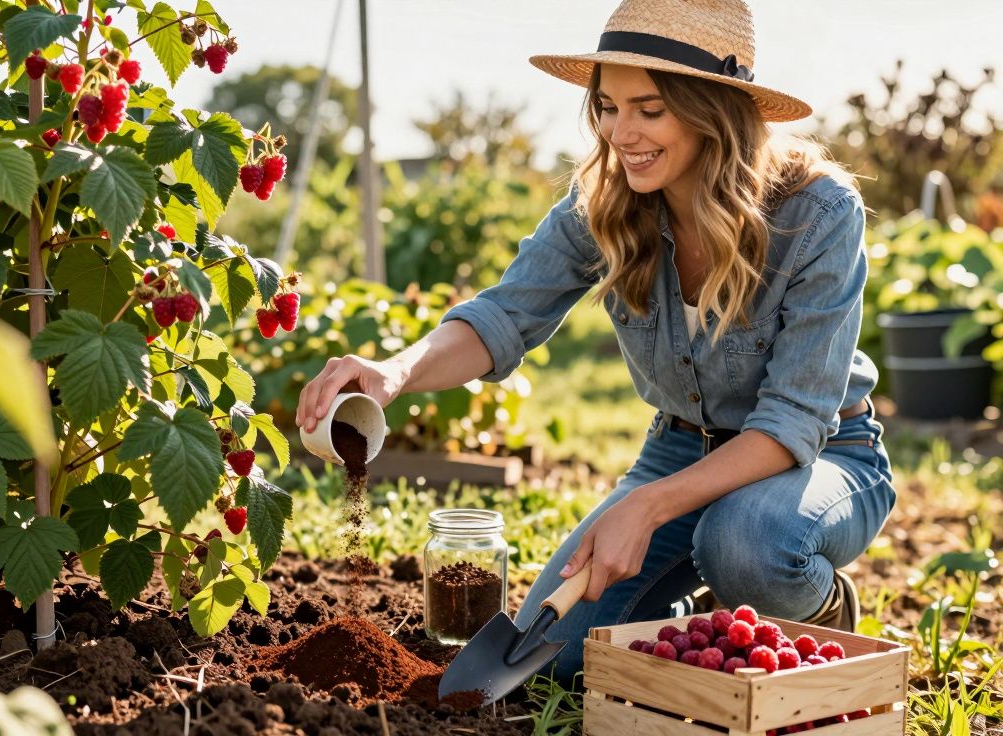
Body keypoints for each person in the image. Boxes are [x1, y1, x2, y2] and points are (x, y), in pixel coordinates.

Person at [295, 0, 897, 683]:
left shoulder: (817, 214)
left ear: (712, 110)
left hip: (819, 459)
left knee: (742, 542)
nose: (619, 132)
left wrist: (646, 504)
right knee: (566, 655)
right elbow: (504, 317)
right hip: (680, 445)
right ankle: (708, 609)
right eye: (607, 106)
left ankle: (816, 608)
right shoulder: (606, 202)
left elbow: (794, 420)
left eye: (649, 108)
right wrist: (393, 372)